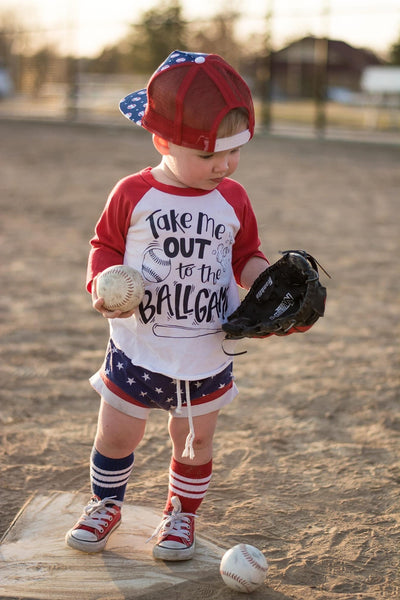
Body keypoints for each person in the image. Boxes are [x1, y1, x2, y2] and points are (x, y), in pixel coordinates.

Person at [65, 50, 269, 561]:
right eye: (208, 155)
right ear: (162, 141)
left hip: (206, 352)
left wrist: (264, 283)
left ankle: (181, 515)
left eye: (235, 151)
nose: (224, 165)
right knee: (116, 435)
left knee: (194, 444)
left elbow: (246, 255)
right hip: (138, 347)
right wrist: (100, 285)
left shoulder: (234, 198)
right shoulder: (133, 193)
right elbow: (105, 246)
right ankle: (105, 504)